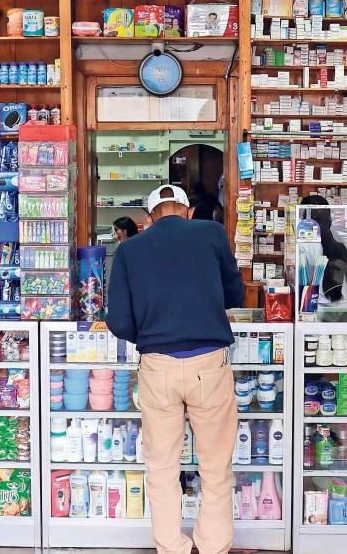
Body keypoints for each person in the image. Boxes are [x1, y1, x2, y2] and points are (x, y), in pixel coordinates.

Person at [106, 185, 244, 554]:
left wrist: (150, 336)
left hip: (157, 367)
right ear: (187, 210)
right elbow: (235, 295)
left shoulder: (129, 249)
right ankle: (213, 547)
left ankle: (171, 547)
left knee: (162, 468)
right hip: (208, 364)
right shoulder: (212, 233)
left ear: (148, 218)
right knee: (215, 468)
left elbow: (118, 320)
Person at [299, 195, 347, 306]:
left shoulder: (306, 244)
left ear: (305, 221)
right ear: (330, 217)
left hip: (324, 308)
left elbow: (304, 282)